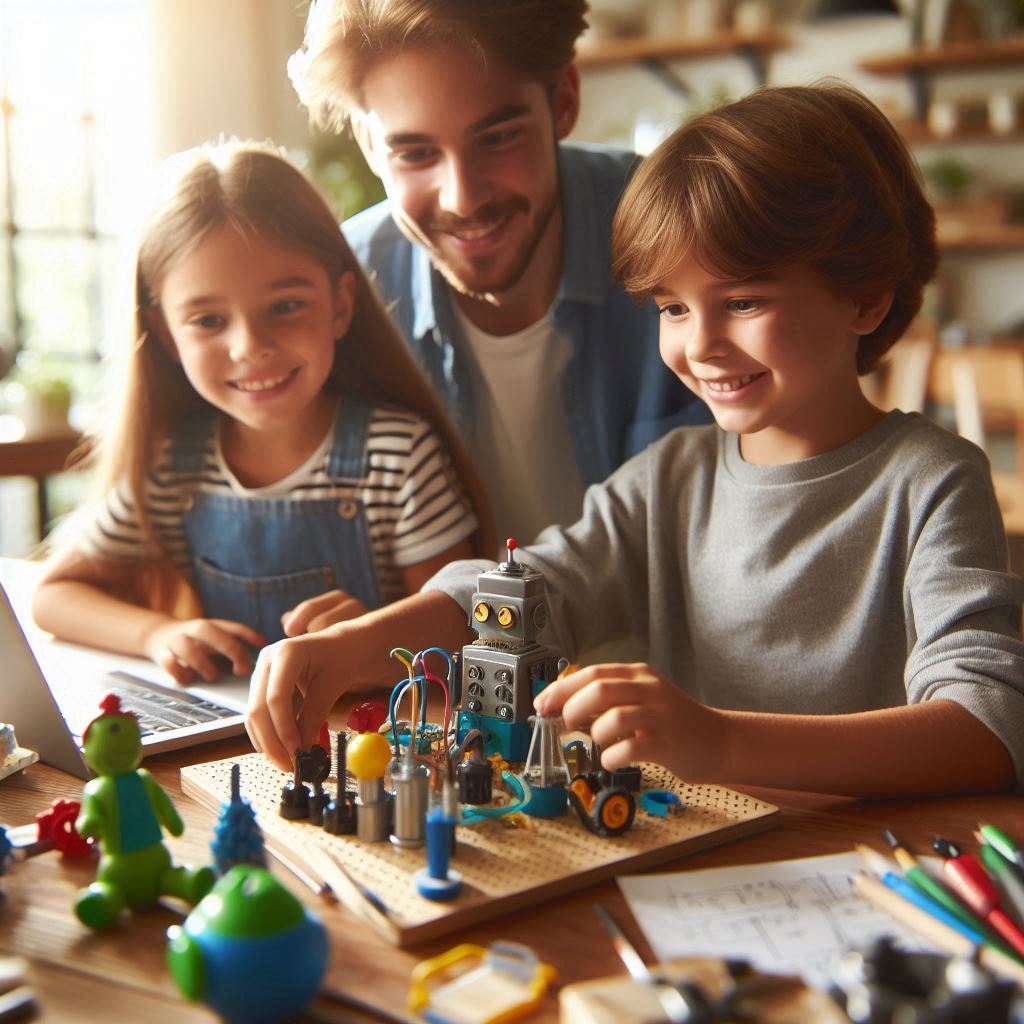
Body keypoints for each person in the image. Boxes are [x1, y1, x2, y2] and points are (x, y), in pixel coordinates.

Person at [245, 82, 1024, 798]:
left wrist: (717, 742)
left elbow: (989, 727)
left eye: (743, 301)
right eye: (671, 308)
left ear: (864, 297)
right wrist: (352, 645)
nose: (701, 344)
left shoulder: (932, 481)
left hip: (875, 879)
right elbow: (527, 593)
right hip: (692, 868)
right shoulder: (673, 477)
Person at [32, 140, 493, 685]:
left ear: (341, 305)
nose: (250, 347)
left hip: (366, 738)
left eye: (285, 306)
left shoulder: (395, 454)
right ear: (166, 336)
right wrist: (156, 635)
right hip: (228, 740)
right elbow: (52, 598)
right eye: (207, 320)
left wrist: (366, 636)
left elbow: (463, 633)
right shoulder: (171, 466)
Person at [287, 0, 712, 545]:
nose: (463, 199)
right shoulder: (342, 297)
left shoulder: (685, 235)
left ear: (563, 101)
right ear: (369, 145)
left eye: (497, 137)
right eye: (415, 154)